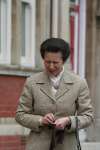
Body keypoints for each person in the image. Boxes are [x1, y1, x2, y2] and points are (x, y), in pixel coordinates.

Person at [15, 38, 94, 150]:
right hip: (37, 145)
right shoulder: (31, 82)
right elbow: (20, 115)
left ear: (64, 61)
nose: (51, 66)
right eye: (47, 62)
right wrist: (40, 120)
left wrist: (68, 121)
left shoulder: (79, 83)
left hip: (67, 145)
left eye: (55, 62)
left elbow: (88, 116)